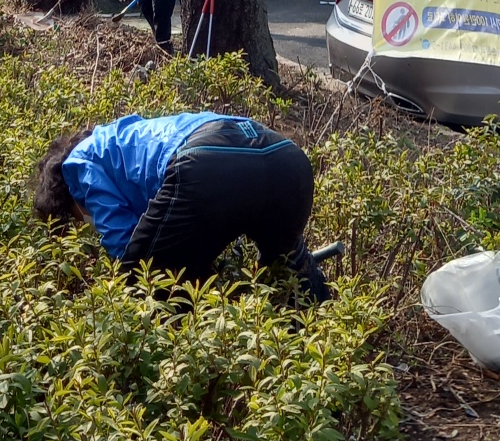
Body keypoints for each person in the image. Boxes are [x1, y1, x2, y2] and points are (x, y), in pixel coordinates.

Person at [32, 112, 330, 301]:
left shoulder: (79, 164)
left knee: (139, 276)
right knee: (289, 270)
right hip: (287, 160)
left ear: (63, 197)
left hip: (208, 164)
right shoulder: (128, 135)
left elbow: (125, 246)